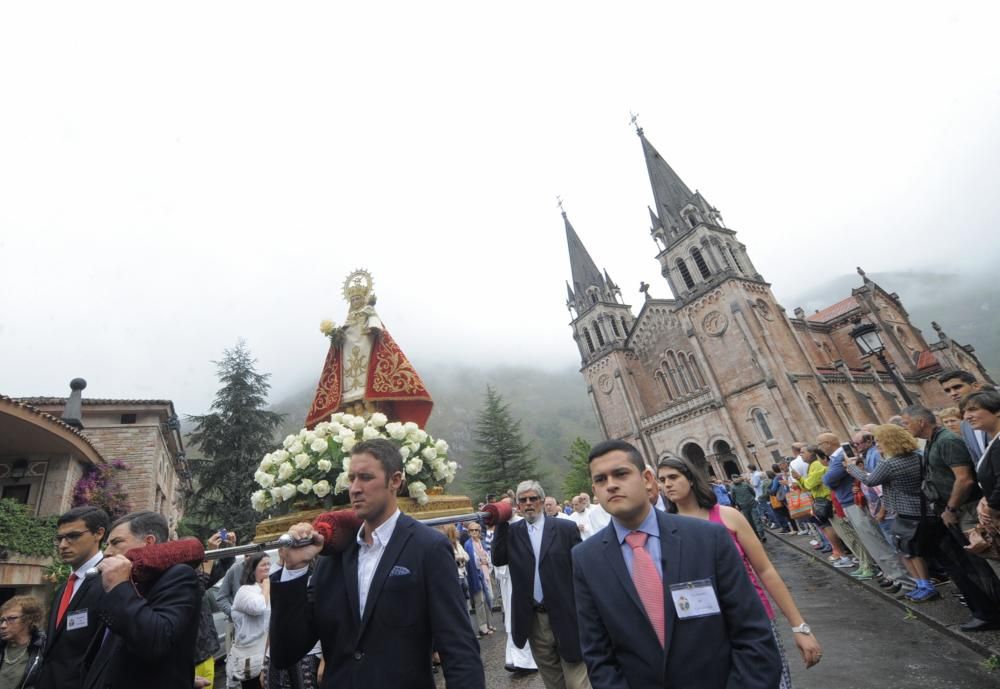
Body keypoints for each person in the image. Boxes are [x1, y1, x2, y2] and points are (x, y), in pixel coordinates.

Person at [269, 438, 484, 689]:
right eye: (351, 479)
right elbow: (286, 652)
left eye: (366, 477)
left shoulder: (428, 548)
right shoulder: (332, 559)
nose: (355, 488)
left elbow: (459, 648)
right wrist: (294, 571)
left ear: (395, 481)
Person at [573, 440, 781, 689]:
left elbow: (752, 633)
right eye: (600, 480)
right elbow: (598, 654)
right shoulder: (586, 558)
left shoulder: (708, 538)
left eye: (620, 474)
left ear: (648, 479)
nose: (611, 485)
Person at [660, 456, 822, 687]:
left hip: (753, 618)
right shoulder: (665, 529)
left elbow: (765, 570)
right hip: (705, 630)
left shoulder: (727, 516)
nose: (667, 484)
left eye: (673, 477)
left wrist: (800, 626)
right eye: (662, 479)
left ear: (691, 479)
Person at [901, 403, 1000, 627]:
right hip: (952, 510)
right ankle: (987, 611)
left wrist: (951, 509)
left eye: (906, 423)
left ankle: (991, 613)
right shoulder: (932, 441)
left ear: (921, 421)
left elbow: (964, 479)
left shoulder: (947, 440)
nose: (905, 428)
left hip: (964, 510)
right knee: (970, 565)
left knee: (981, 563)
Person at [81, 511, 202, 689]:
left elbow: (156, 641)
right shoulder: (127, 580)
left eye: (116, 543)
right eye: (106, 545)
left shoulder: (179, 576)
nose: (107, 552)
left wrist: (120, 587)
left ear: (149, 542)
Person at [492, 480, 591, 689]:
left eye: (533, 499)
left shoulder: (565, 528)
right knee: (554, 683)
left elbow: (582, 571)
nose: (528, 504)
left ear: (542, 501)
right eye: (523, 500)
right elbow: (498, 559)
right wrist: (501, 521)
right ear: (518, 506)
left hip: (566, 615)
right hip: (535, 620)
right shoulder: (513, 532)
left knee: (577, 683)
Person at [305, 271, 433, 428]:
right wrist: (336, 336)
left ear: (364, 298)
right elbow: (339, 343)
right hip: (348, 356)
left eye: (359, 298)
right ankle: (351, 407)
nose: (356, 301)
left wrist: (370, 319)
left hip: (367, 350)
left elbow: (377, 329)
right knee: (350, 380)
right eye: (353, 299)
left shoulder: (369, 313)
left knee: (365, 376)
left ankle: (370, 405)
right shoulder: (348, 320)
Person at [844, 425, 941, 602]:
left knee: (906, 550)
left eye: (879, 441)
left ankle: (924, 585)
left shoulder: (890, 463)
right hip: (921, 507)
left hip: (903, 511)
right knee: (912, 550)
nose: (877, 444)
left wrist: (852, 468)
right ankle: (923, 584)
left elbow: (870, 480)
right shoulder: (917, 456)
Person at [820, 433, 912, 587]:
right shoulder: (840, 459)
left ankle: (903, 580)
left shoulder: (842, 457)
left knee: (877, 542)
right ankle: (895, 577)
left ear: (828, 443)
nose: (819, 448)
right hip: (857, 502)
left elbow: (828, 480)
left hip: (860, 503)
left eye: (820, 444)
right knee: (873, 543)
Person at [36, 506, 109, 689]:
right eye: (60, 538)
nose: (63, 545)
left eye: (73, 536)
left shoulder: (111, 580)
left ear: (98, 533)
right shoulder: (63, 587)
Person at [226, 552, 271, 688]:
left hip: (267, 653)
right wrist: (267, 586)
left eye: (269, 564)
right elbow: (258, 607)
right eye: (263, 565)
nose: (268, 567)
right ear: (252, 569)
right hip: (251, 658)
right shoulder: (245, 591)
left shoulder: (264, 589)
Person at [939, 370, 990, 460]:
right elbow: (977, 460)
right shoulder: (965, 425)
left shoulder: (995, 411)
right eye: (948, 391)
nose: (953, 393)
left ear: (976, 386)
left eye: (957, 387)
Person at [0, 596, 45, 689]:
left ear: (29, 620)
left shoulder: (42, 648)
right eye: (2, 620)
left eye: (11, 618)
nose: (3, 625)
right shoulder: (2, 645)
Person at [464, 522, 496, 636]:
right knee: (480, 601)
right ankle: (482, 627)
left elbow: (487, 555)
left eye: (476, 530)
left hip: (486, 573)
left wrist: (486, 562)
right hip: (476, 576)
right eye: (471, 530)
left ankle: (489, 623)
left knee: (489, 598)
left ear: (479, 531)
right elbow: (470, 562)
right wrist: (480, 562)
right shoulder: (468, 544)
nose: (473, 532)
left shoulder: (481, 542)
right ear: (468, 532)